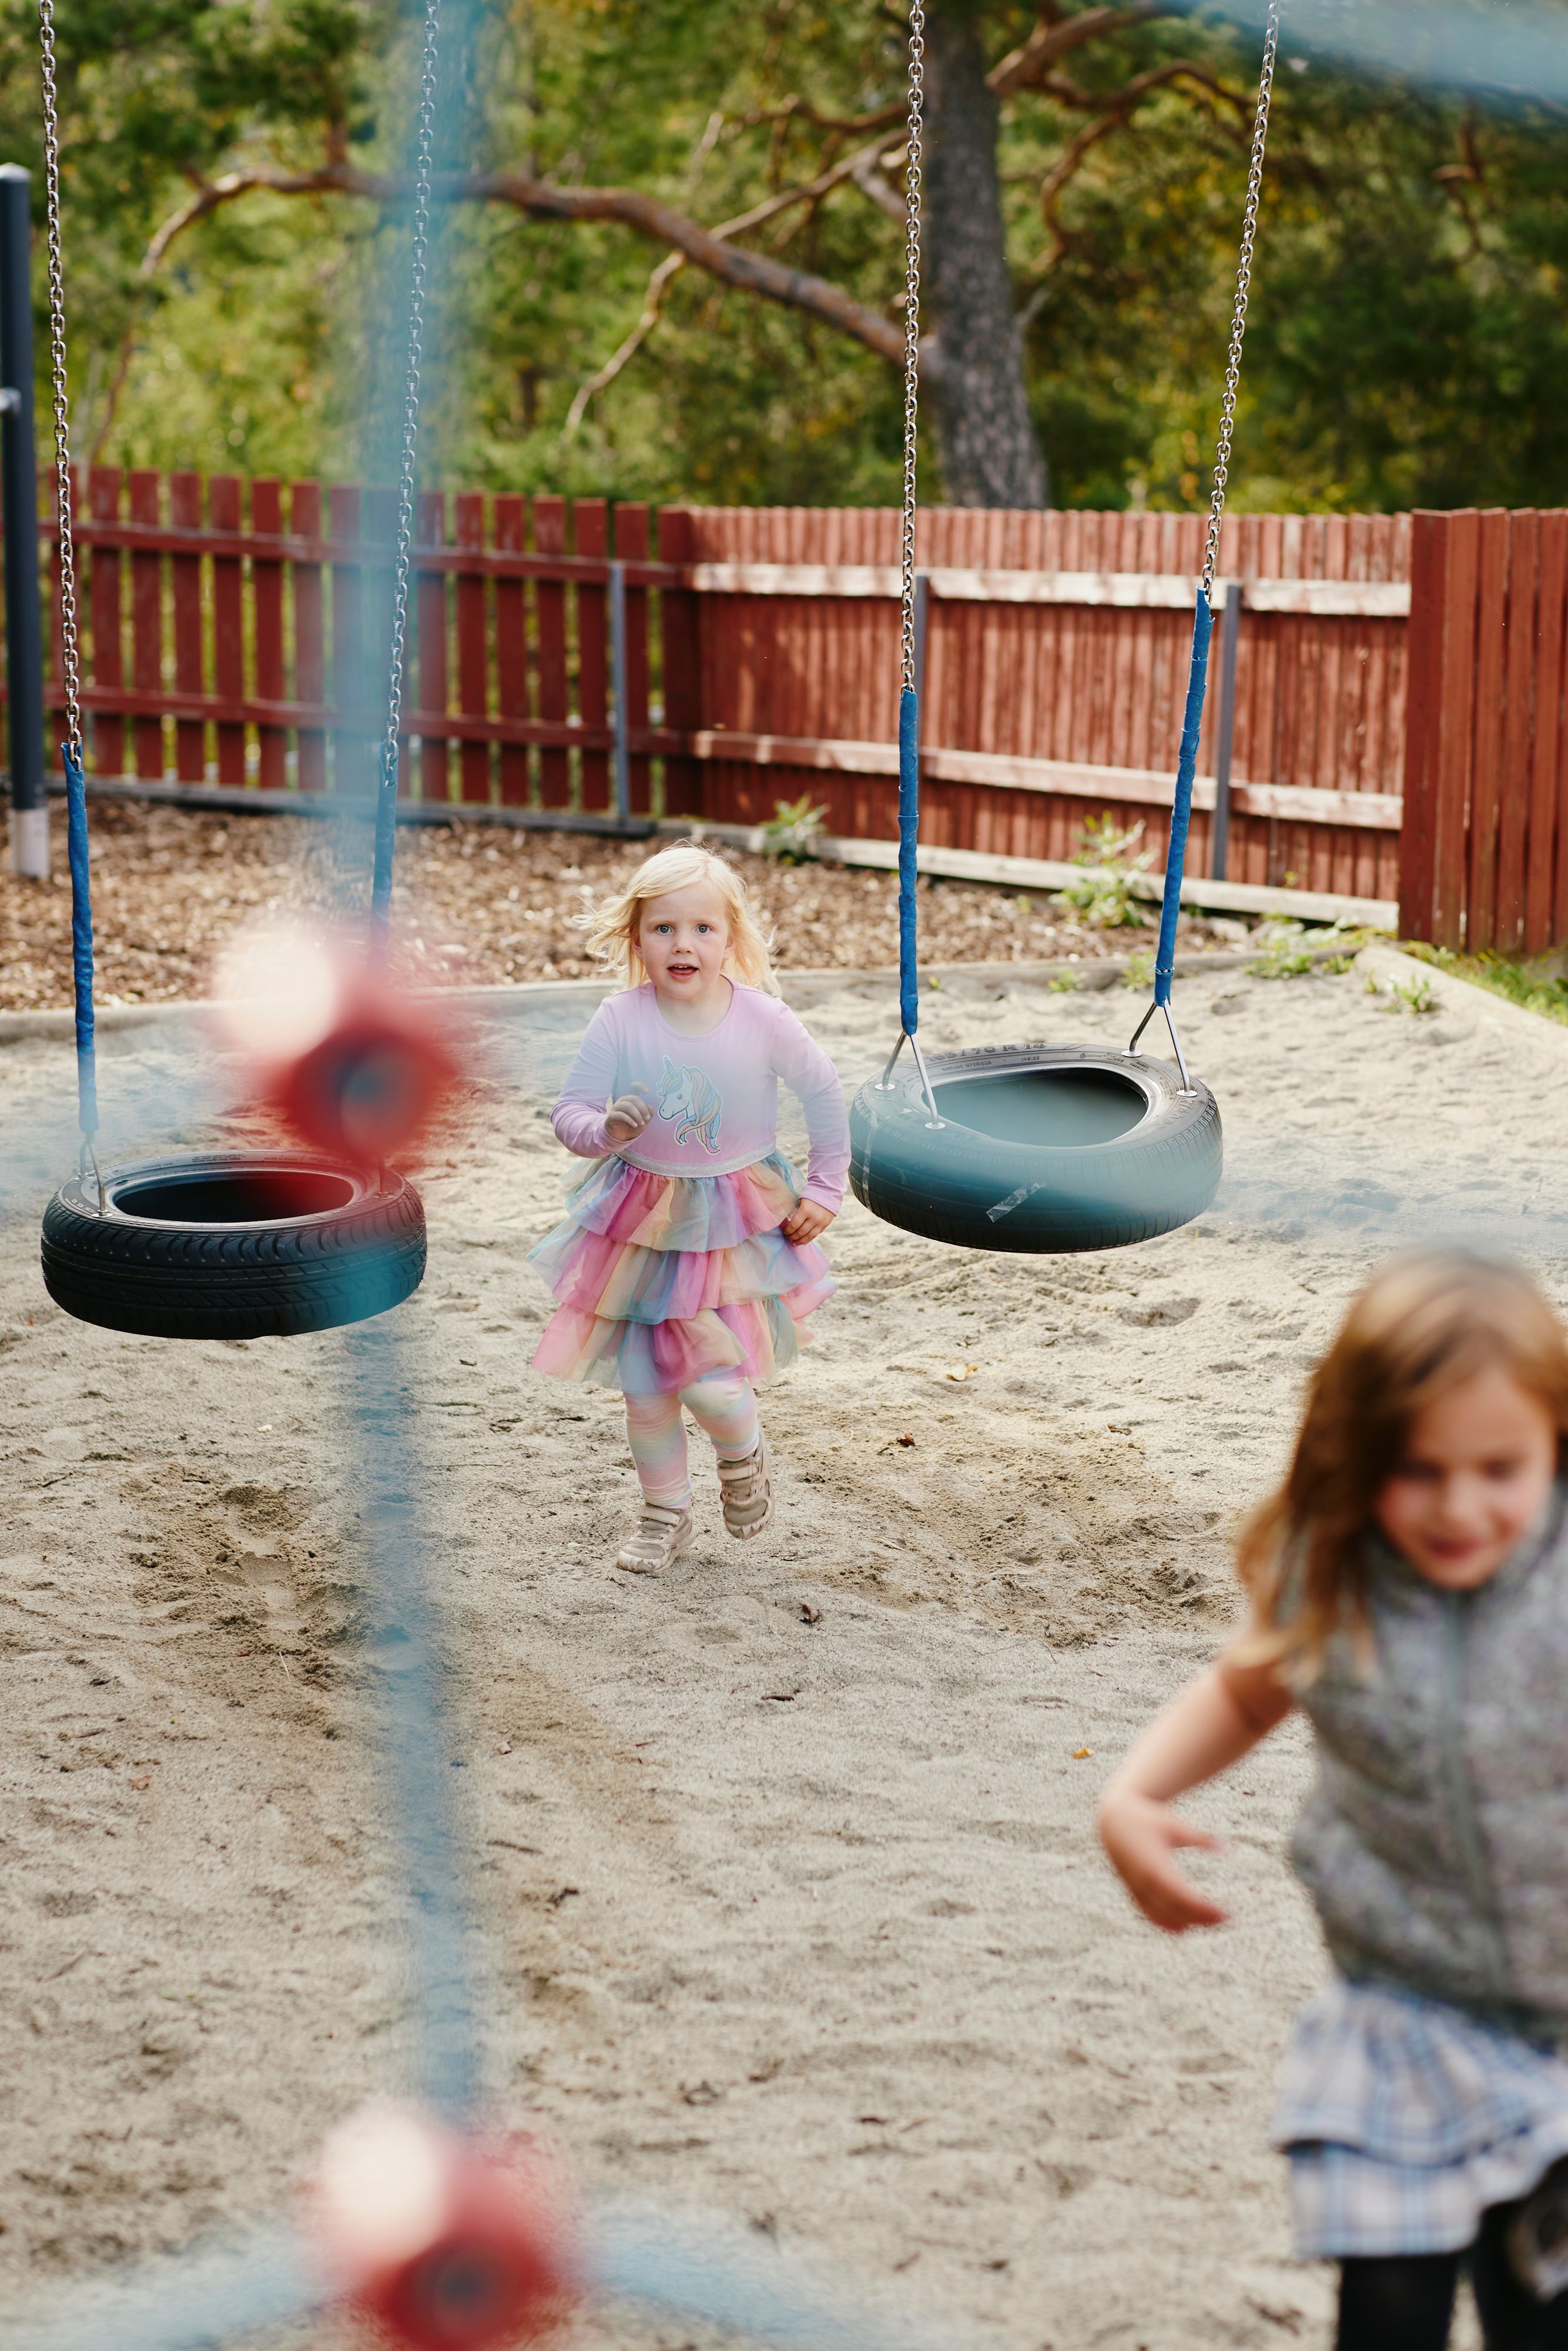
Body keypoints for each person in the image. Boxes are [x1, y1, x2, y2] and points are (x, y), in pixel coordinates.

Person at [1098, 1251, 1568, 2351]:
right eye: (1415, 1470)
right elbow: (1245, 1686)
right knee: (1388, 2313)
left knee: (1535, 2316)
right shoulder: (1339, 1567)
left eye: (1498, 1468)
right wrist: (1132, 1794)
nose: (1458, 1507)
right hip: (1404, 2010)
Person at [530, 841, 849, 1574]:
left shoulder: (762, 1019)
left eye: (703, 929)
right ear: (636, 939)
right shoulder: (620, 1018)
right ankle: (664, 1514)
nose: (684, 944)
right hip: (637, 1223)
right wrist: (604, 1130)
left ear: (729, 940)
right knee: (645, 1392)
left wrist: (826, 1187)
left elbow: (825, 1094)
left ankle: (742, 1453)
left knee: (713, 1384)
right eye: (664, 928)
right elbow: (571, 1110)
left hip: (730, 1222)